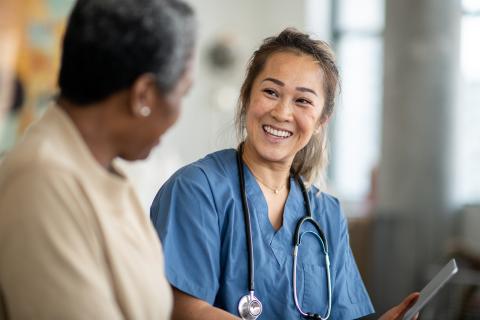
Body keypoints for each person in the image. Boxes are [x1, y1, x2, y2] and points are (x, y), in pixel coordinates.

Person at [150, 28, 418, 319]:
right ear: (246, 98)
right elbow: (185, 310)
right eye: (270, 92)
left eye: (302, 100)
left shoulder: (326, 213)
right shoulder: (196, 190)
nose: (281, 112)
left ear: (320, 121)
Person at [0, 0, 195, 319]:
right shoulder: (41, 182)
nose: (180, 112)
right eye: (182, 93)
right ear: (143, 94)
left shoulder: (104, 172)